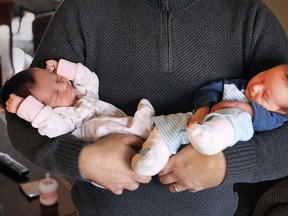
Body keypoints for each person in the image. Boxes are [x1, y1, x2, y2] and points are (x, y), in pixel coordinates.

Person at [4, 0, 288, 215]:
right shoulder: (80, 9)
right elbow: (19, 119)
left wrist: (226, 164)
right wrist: (84, 159)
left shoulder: (249, 14)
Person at [132, 64, 288, 175]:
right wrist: (202, 110)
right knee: (174, 124)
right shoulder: (237, 85)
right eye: (262, 77)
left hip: (223, 132)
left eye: (265, 96)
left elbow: (268, 121)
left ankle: (210, 138)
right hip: (198, 122)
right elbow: (208, 91)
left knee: (240, 122)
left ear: (281, 112)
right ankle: (151, 155)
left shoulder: (276, 118)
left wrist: (247, 109)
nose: (255, 87)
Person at [1, 59, 155, 143]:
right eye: (55, 94)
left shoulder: (81, 95)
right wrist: (24, 107)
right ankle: (142, 129)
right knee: (95, 127)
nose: (63, 85)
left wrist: (63, 69)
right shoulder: (63, 119)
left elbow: (91, 80)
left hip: (124, 125)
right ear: (45, 109)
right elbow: (50, 125)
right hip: (109, 143)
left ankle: (145, 131)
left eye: (56, 78)